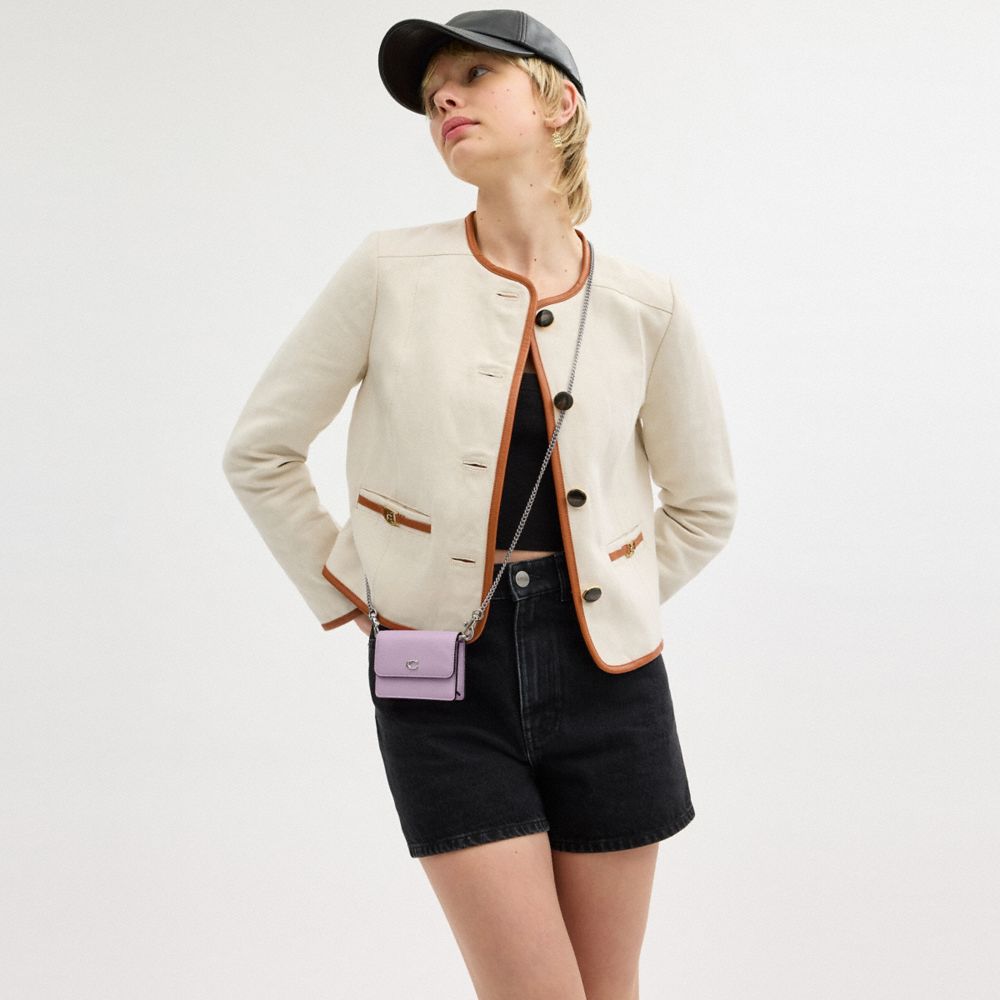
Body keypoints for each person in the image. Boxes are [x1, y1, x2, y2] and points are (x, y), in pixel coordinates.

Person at [223, 10, 738, 999]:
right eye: (432, 98)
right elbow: (260, 451)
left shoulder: (646, 303)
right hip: (441, 679)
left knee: (608, 991)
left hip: (611, 679)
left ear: (560, 103)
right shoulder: (389, 270)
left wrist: (608, 588)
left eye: (472, 76)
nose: (444, 101)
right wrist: (355, 587)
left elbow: (704, 504)